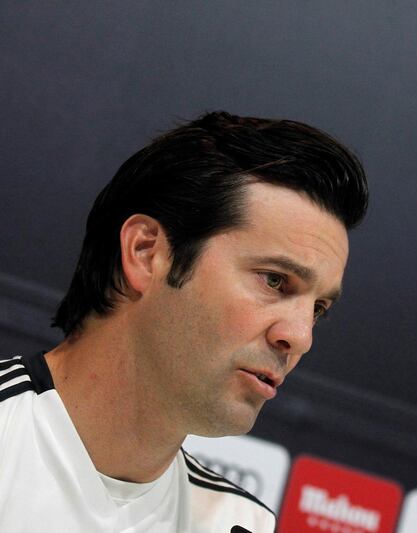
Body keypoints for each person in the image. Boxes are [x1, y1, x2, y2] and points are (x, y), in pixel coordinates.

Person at [0, 111, 368, 532]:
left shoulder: (241, 525)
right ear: (146, 253)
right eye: (275, 281)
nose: (300, 337)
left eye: (318, 309)